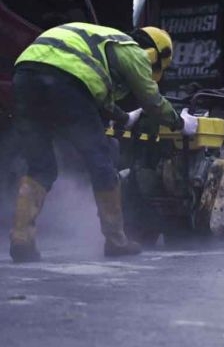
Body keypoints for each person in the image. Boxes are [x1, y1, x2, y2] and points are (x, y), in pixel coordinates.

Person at [10, 22, 198, 263]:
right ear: (153, 55)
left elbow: (95, 93)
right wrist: (180, 124)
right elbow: (151, 99)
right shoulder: (133, 50)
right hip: (64, 81)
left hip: (25, 75)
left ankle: (21, 240)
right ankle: (116, 240)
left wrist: (123, 117)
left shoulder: (99, 43)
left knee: (41, 166)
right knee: (101, 161)